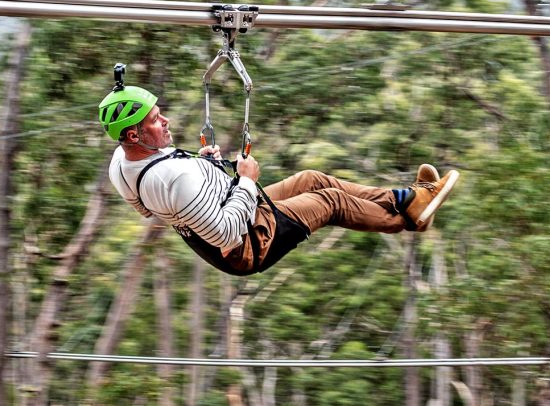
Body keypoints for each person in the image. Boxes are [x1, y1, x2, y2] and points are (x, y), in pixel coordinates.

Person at [99, 80, 459, 276]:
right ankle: (409, 219)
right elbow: (225, 234)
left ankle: (407, 199)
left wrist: (205, 167)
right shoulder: (172, 178)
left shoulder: (122, 163)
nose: (166, 122)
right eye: (155, 120)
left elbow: (151, 208)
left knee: (311, 178)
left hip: (233, 206)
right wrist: (247, 180)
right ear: (134, 135)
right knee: (328, 201)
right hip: (247, 245)